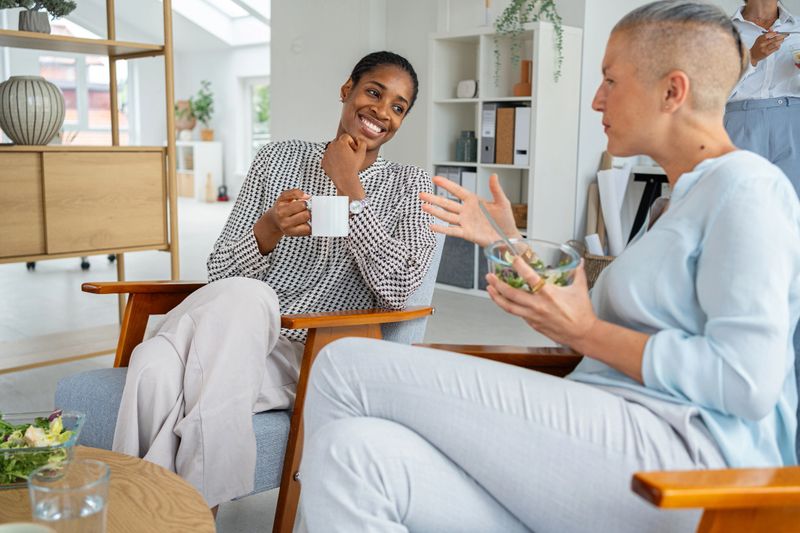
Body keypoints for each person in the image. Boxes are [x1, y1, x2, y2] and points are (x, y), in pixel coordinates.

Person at [299, 2, 800, 532]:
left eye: (610, 80)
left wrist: (588, 331)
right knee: (350, 454)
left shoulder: (748, 187)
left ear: (672, 92)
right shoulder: (670, 206)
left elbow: (746, 381)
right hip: (593, 443)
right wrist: (506, 240)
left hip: (677, 458)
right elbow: (583, 316)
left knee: (345, 364)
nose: (595, 99)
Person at [111, 51, 436, 510]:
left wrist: (350, 190)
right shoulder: (278, 158)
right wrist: (268, 229)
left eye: (398, 106)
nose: (382, 111)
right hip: (233, 331)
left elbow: (400, 289)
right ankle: (180, 514)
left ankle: (144, 511)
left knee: (155, 367)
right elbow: (221, 273)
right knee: (231, 308)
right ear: (348, 89)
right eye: (374, 92)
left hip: (312, 351)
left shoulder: (411, 186)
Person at [725, 0, 800, 195]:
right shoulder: (722, 31)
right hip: (740, 122)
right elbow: (713, 90)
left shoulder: (798, 28)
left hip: (794, 122)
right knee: (740, 200)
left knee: (793, 205)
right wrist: (752, 58)